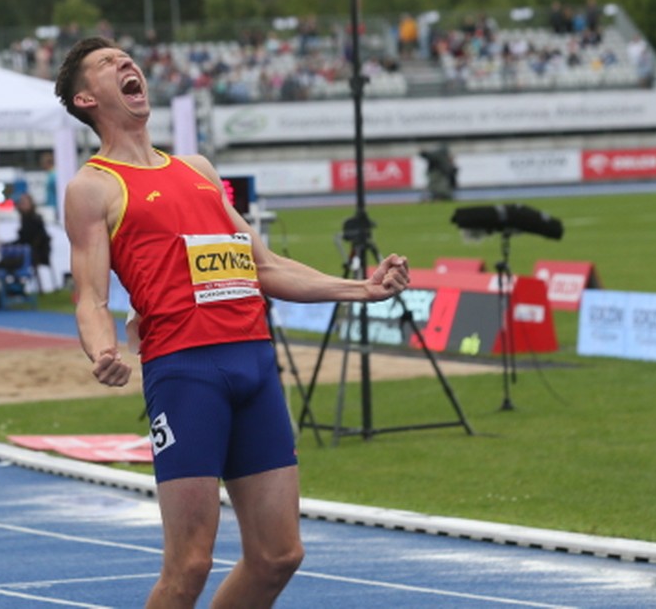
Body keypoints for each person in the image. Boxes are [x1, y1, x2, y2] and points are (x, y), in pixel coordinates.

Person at [55, 36, 411, 608]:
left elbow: (263, 265)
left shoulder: (196, 169)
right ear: (86, 100)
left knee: (277, 556)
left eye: (126, 56)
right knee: (189, 565)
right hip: (186, 372)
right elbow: (90, 297)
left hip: (253, 362)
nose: (125, 62)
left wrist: (362, 288)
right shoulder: (92, 187)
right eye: (105, 63)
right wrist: (102, 350)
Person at [11, 192, 51, 291]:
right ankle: (16, 286)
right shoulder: (24, 219)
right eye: (21, 202)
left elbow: (30, 239)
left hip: (36, 253)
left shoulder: (34, 219)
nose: (21, 204)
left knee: (12, 259)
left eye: (24, 202)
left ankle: (17, 287)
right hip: (29, 250)